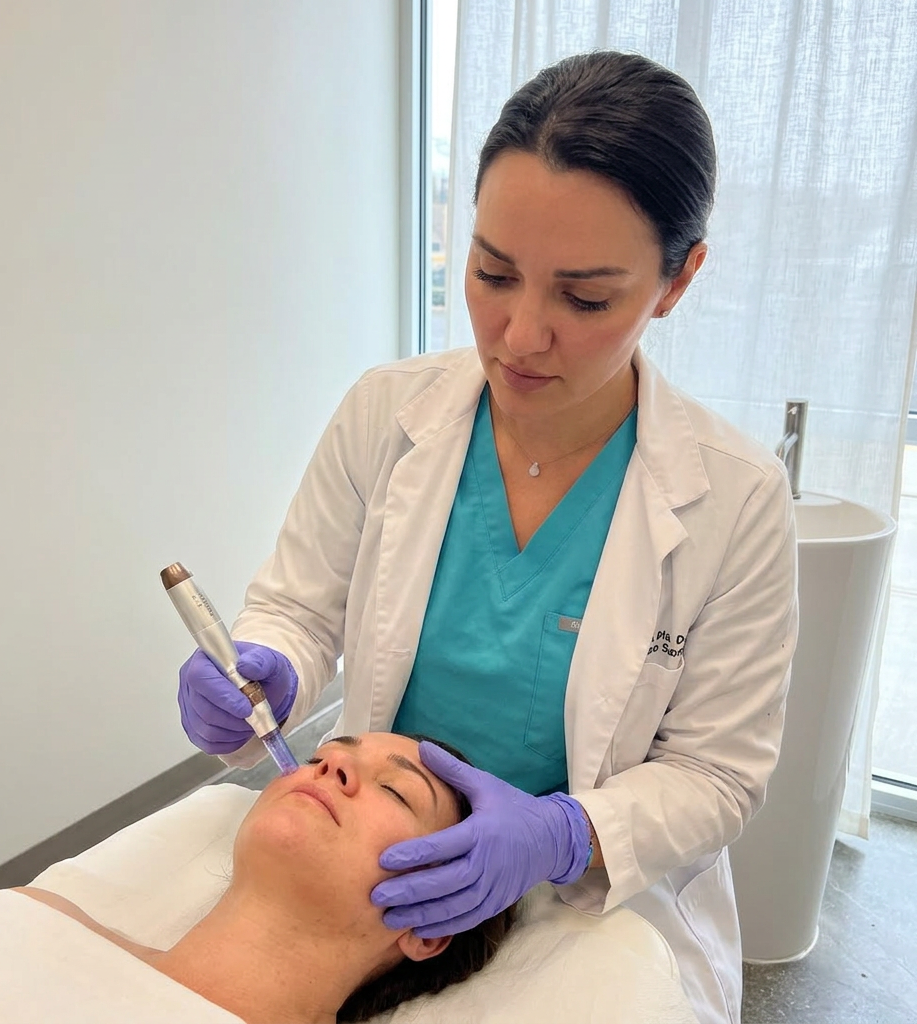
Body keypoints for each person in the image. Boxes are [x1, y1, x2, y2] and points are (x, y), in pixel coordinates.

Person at [178, 50, 799, 1024]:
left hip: (585, 897)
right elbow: (297, 607)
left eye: (584, 298)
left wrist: (561, 833)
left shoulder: (737, 499)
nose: (518, 335)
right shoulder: (387, 412)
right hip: (377, 874)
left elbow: (717, 775)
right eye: (492, 273)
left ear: (677, 280)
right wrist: (268, 664)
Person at [0, 733, 516, 1024]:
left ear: (432, 927)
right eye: (322, 755)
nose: (331, 768)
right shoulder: (26, 918)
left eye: (396, 790)